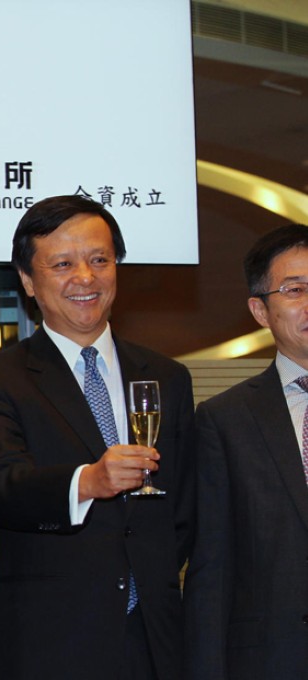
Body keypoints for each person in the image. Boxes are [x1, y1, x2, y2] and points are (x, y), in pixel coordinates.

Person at [0, 195, 194, 680]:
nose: (85, 278)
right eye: (63, 264)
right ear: (27, 280)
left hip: (153, 638)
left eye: (100, 260)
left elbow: (186, 506)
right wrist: (88, 481)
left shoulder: (167, 377)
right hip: (50, 640)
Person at [184, 223, 308, 678]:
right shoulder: (225, 419)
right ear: (260, 310)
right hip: (271, 660)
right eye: (295, 289)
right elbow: (211, 571)